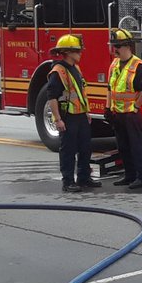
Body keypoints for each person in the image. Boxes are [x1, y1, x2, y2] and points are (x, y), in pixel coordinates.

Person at [46, 35, 101, 192]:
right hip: (67, 117)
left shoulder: (75, 68)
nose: (80, 54)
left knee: (85, 148)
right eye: (77, 51)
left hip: (80, 115)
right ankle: (68, 182)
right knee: (68, 150)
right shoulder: (58, 72)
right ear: (68, 52)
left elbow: (81, 93)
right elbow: (52, 97)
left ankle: (84, 178)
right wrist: (58, 119)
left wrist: (86, 111)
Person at [106, 29, 142, 190]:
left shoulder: (138, 66)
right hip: (118, 114)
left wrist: (136, 107)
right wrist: (108, 108)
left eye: (117, 46)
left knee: (136, 146)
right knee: (123, 146)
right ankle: (129, 175)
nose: (114, 50)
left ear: (127, 46)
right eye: (113, 46)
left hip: (132, 114)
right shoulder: (114, 64)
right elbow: (110, 88)